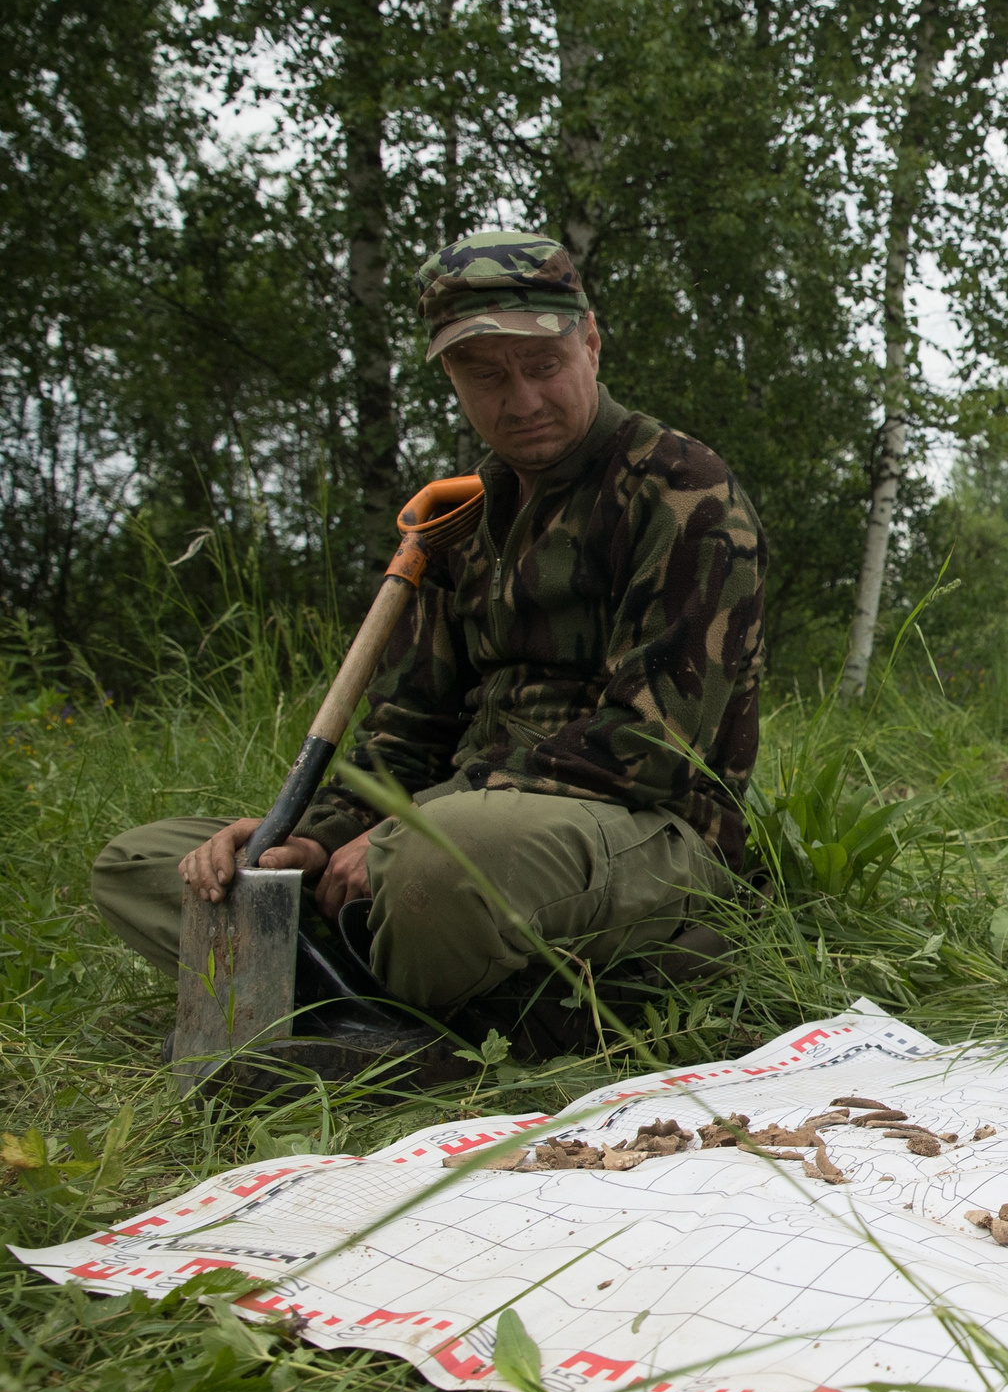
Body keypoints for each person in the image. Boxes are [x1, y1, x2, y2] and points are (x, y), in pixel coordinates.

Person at [92, 231, 765, 1058]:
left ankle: (360, 1010)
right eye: (486, 375)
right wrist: (315, 835)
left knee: (435, 871)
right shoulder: (455, 515)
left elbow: (651, 748)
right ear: (450, 377)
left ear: (591, 343)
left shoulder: (682, 490)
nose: (522, 399)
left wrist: (409, 830)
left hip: (646, 834)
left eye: (544, 364)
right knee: (148, 863)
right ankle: (399, 1010)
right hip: (451, 833)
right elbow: (405, 732)